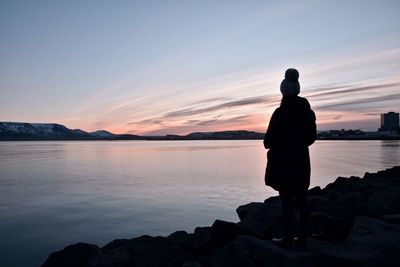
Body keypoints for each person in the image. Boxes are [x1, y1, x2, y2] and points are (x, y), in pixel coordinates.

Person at [263, 68, 316, 248]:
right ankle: (303, 238)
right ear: (298, 88)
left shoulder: (279, 113)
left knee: (286, 200)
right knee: (302, 198)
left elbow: (267, 141)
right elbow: (311, 138)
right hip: (301, 160)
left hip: (282, 162)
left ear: (282, 90)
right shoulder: (307, 112)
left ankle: (287, 238)